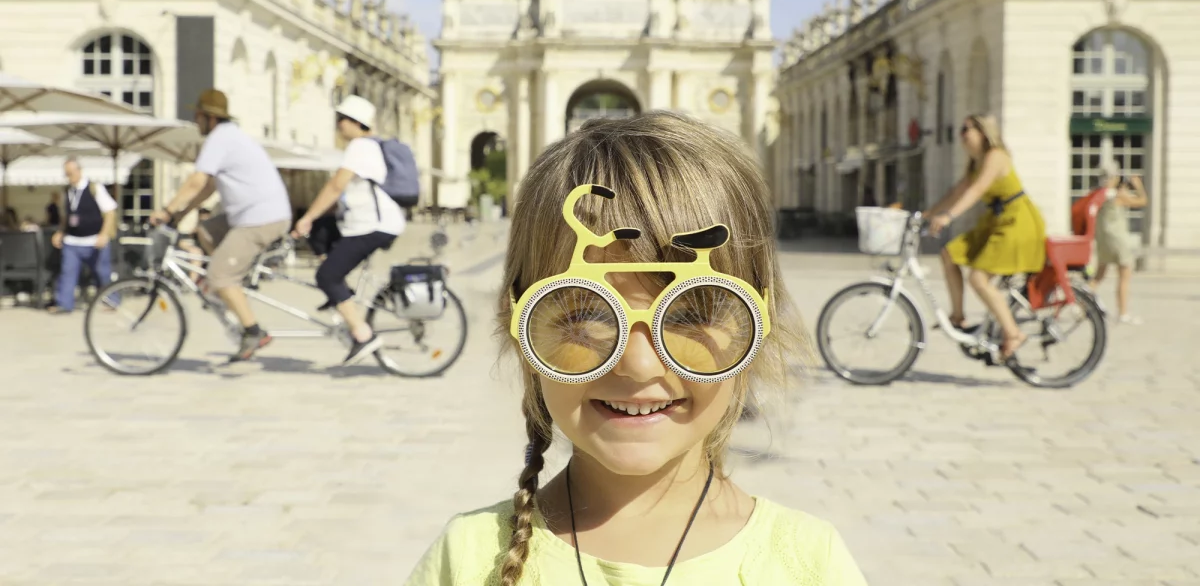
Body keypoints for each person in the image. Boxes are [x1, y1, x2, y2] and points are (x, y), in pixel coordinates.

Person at [405, 111, 866, 586]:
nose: (639, 364)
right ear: (520, 326)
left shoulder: (811, 565)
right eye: (584, 315)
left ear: (757, 325)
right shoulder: (464, 561)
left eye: (692, 312)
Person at [150, 89, 292, 362]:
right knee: (204, 230)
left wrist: (167, 210)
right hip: (253, 214)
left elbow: (196, 181)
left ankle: (253, 330)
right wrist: (183, 214)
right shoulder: (231, 137)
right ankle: (226, 279)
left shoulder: (218, 139)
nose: (195, 121)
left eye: (198, 116)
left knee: (219, 276)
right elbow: (209, 186)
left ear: (209, 118)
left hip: (260, 218)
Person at [925, 114, 1047, 362]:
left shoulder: (996, 156)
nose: (961, 135)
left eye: (966, 129)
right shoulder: (975, 162)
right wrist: (928, 214)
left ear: (983, 132)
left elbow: (976, 190)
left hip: (1016, 222)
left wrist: (947, 217)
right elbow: (957, 191)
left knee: (979, 279)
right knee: (949, 253)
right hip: (995, 221)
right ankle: (958, 316)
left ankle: (1013, 333)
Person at [292, 95, 403, 364]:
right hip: (368, 223)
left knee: (326, 276)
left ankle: (363, 335)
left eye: (341, 120)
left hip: (372, 226)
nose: (338, 126)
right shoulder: (369, 146)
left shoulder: (360, 147)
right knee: (320, 232)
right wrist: (315, 220)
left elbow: (335, 186)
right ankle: (341, 295)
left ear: (356, 122)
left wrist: (306, 217)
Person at [48, 157, 117, 314]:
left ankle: (112, 300)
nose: (69, 177)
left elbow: (110, 212)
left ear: (79, 171)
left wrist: (104, 234)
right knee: (67, 272)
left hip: (94, 240)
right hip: (72, 242)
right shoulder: (67, 191)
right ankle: (64, 304)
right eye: (66, 174)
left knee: (102, 272)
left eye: (71, 173)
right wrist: (60, 232)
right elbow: (66, 216)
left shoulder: (94, 188)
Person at [1091, 161, 1147, 325]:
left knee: (1099, 275)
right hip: (1118, 239)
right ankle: (1123, 313)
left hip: (1103, 239)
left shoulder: (1100, 193)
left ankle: (1080, 304)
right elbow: (1142, 201)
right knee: (1124, 275)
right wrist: (1138, 186)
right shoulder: (1118, 195)